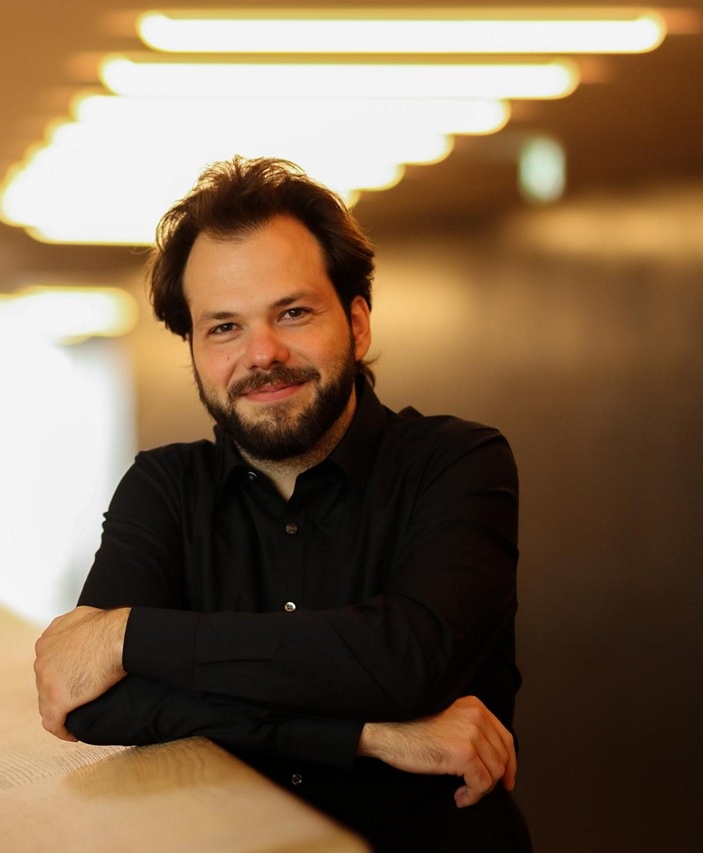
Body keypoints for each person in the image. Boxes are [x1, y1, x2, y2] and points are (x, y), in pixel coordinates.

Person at [33, 156, 531, 850]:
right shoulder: (163, 487)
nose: (262, 353)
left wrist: (128, 636)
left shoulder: (457, 463)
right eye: (224, 327)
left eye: (293, 313)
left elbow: (406, 660)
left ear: (357, 323)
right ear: (193, 347)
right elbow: (96, 705)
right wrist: (364, 734)